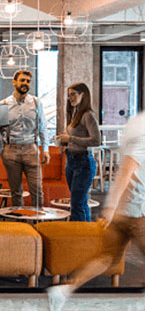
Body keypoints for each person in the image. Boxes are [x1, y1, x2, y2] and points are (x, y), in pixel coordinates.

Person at [47, 111, 145, 311]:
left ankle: (62, 291)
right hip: (138, 211)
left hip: (122, 210)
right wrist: (110, 206)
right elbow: (128, 169)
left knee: (106, 257)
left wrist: (113, 206)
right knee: (107, 257)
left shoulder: (136, 123)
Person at [0, 69, 50, 207]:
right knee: (16, 192)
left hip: (31, 149)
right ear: (14, 82)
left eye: (28, 81)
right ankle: (19, 224)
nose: (25, 83)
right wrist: (2, 151)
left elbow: (43, 126)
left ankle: (38, 222)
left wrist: (45, 149)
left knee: (37, 189)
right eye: (22, 80)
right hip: (11, 150)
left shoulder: (36, 102)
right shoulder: (4, 104)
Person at [55, 82, 100, 221]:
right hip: (72, 160)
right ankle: (86, 234)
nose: (70, 98)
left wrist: (70, 138)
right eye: (69, 96)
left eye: (73, 94)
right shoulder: (76, 114)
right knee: (79, 202)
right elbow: (77, 138)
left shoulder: (88, 115)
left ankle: (79, 236)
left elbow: (96, 141)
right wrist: (64, 140)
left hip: (83, 162)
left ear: (83, 95)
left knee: (77, 203)